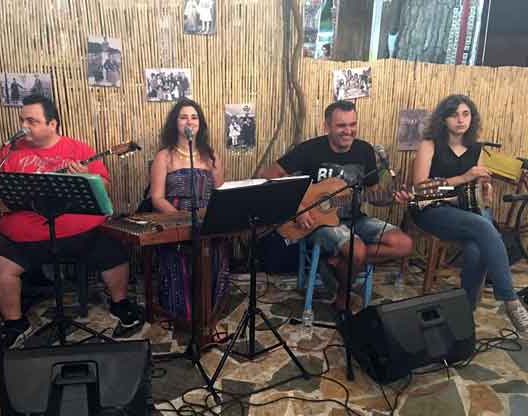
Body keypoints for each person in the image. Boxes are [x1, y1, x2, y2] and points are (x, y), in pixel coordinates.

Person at [0, 94, 141, 349]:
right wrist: (8, 190)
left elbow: (104, 187)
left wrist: (88, 177)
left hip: (78, 230)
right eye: (22, 120)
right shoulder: (10, 151)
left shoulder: (79, 149)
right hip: (24, 233)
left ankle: (120, 304)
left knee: (113, 249)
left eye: (32, 121)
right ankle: (15, 323)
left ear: (52, 124)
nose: (24, 127)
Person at [258, 100, 413, 310]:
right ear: (327, 126)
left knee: (403, 244)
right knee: (356, 250)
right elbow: (267, 175)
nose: (348, 131)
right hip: (318, 223)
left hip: (355, 218)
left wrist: (392, 197)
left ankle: (339, 262)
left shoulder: (364, 150)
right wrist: (298, 207)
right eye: (341, 125)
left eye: (353, 124)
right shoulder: (310, 149)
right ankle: (342, 296)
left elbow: (373, 194)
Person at [411, 94, 528, 334]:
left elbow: (475, 185)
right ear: (443, 119)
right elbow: (420, 189)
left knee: (477, 248)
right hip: (431, 208)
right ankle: (510, 299)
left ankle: (465, 314)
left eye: (465, 114)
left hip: (465, 209)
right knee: (484, 227)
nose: (460, 120)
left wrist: (485, 188)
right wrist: (463, 178)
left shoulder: (475, 148)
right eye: (454, 115)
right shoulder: (429, 145)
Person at [149, 98, 229, 319]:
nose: (189, 121)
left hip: (207, 220)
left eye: (194, 117)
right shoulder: (164, 156)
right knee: (179, 257)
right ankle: (182, 313)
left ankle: (210, 311)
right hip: (174, 219)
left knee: (215, 250)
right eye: (183, 117)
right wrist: (181, 219)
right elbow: (157, 198)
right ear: (175, 123)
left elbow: (220, 193)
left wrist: (212, 218)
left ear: (200, 124)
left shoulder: (211, 156)